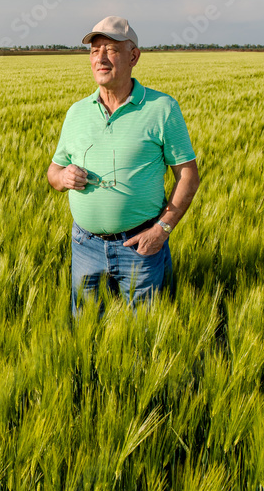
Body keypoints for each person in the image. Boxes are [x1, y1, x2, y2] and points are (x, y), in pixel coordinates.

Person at [47, 16, 199, 312]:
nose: (100, 58)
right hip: (85, 247)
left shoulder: (161, 108)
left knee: (145, 336)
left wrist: (162, 229)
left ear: (134, 56)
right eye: (94, 51)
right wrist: (63, 177)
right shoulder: (76, 113)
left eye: (111, 49)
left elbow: (188, 175)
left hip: (141, 247)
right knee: (86, 332)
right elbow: (53, 172)